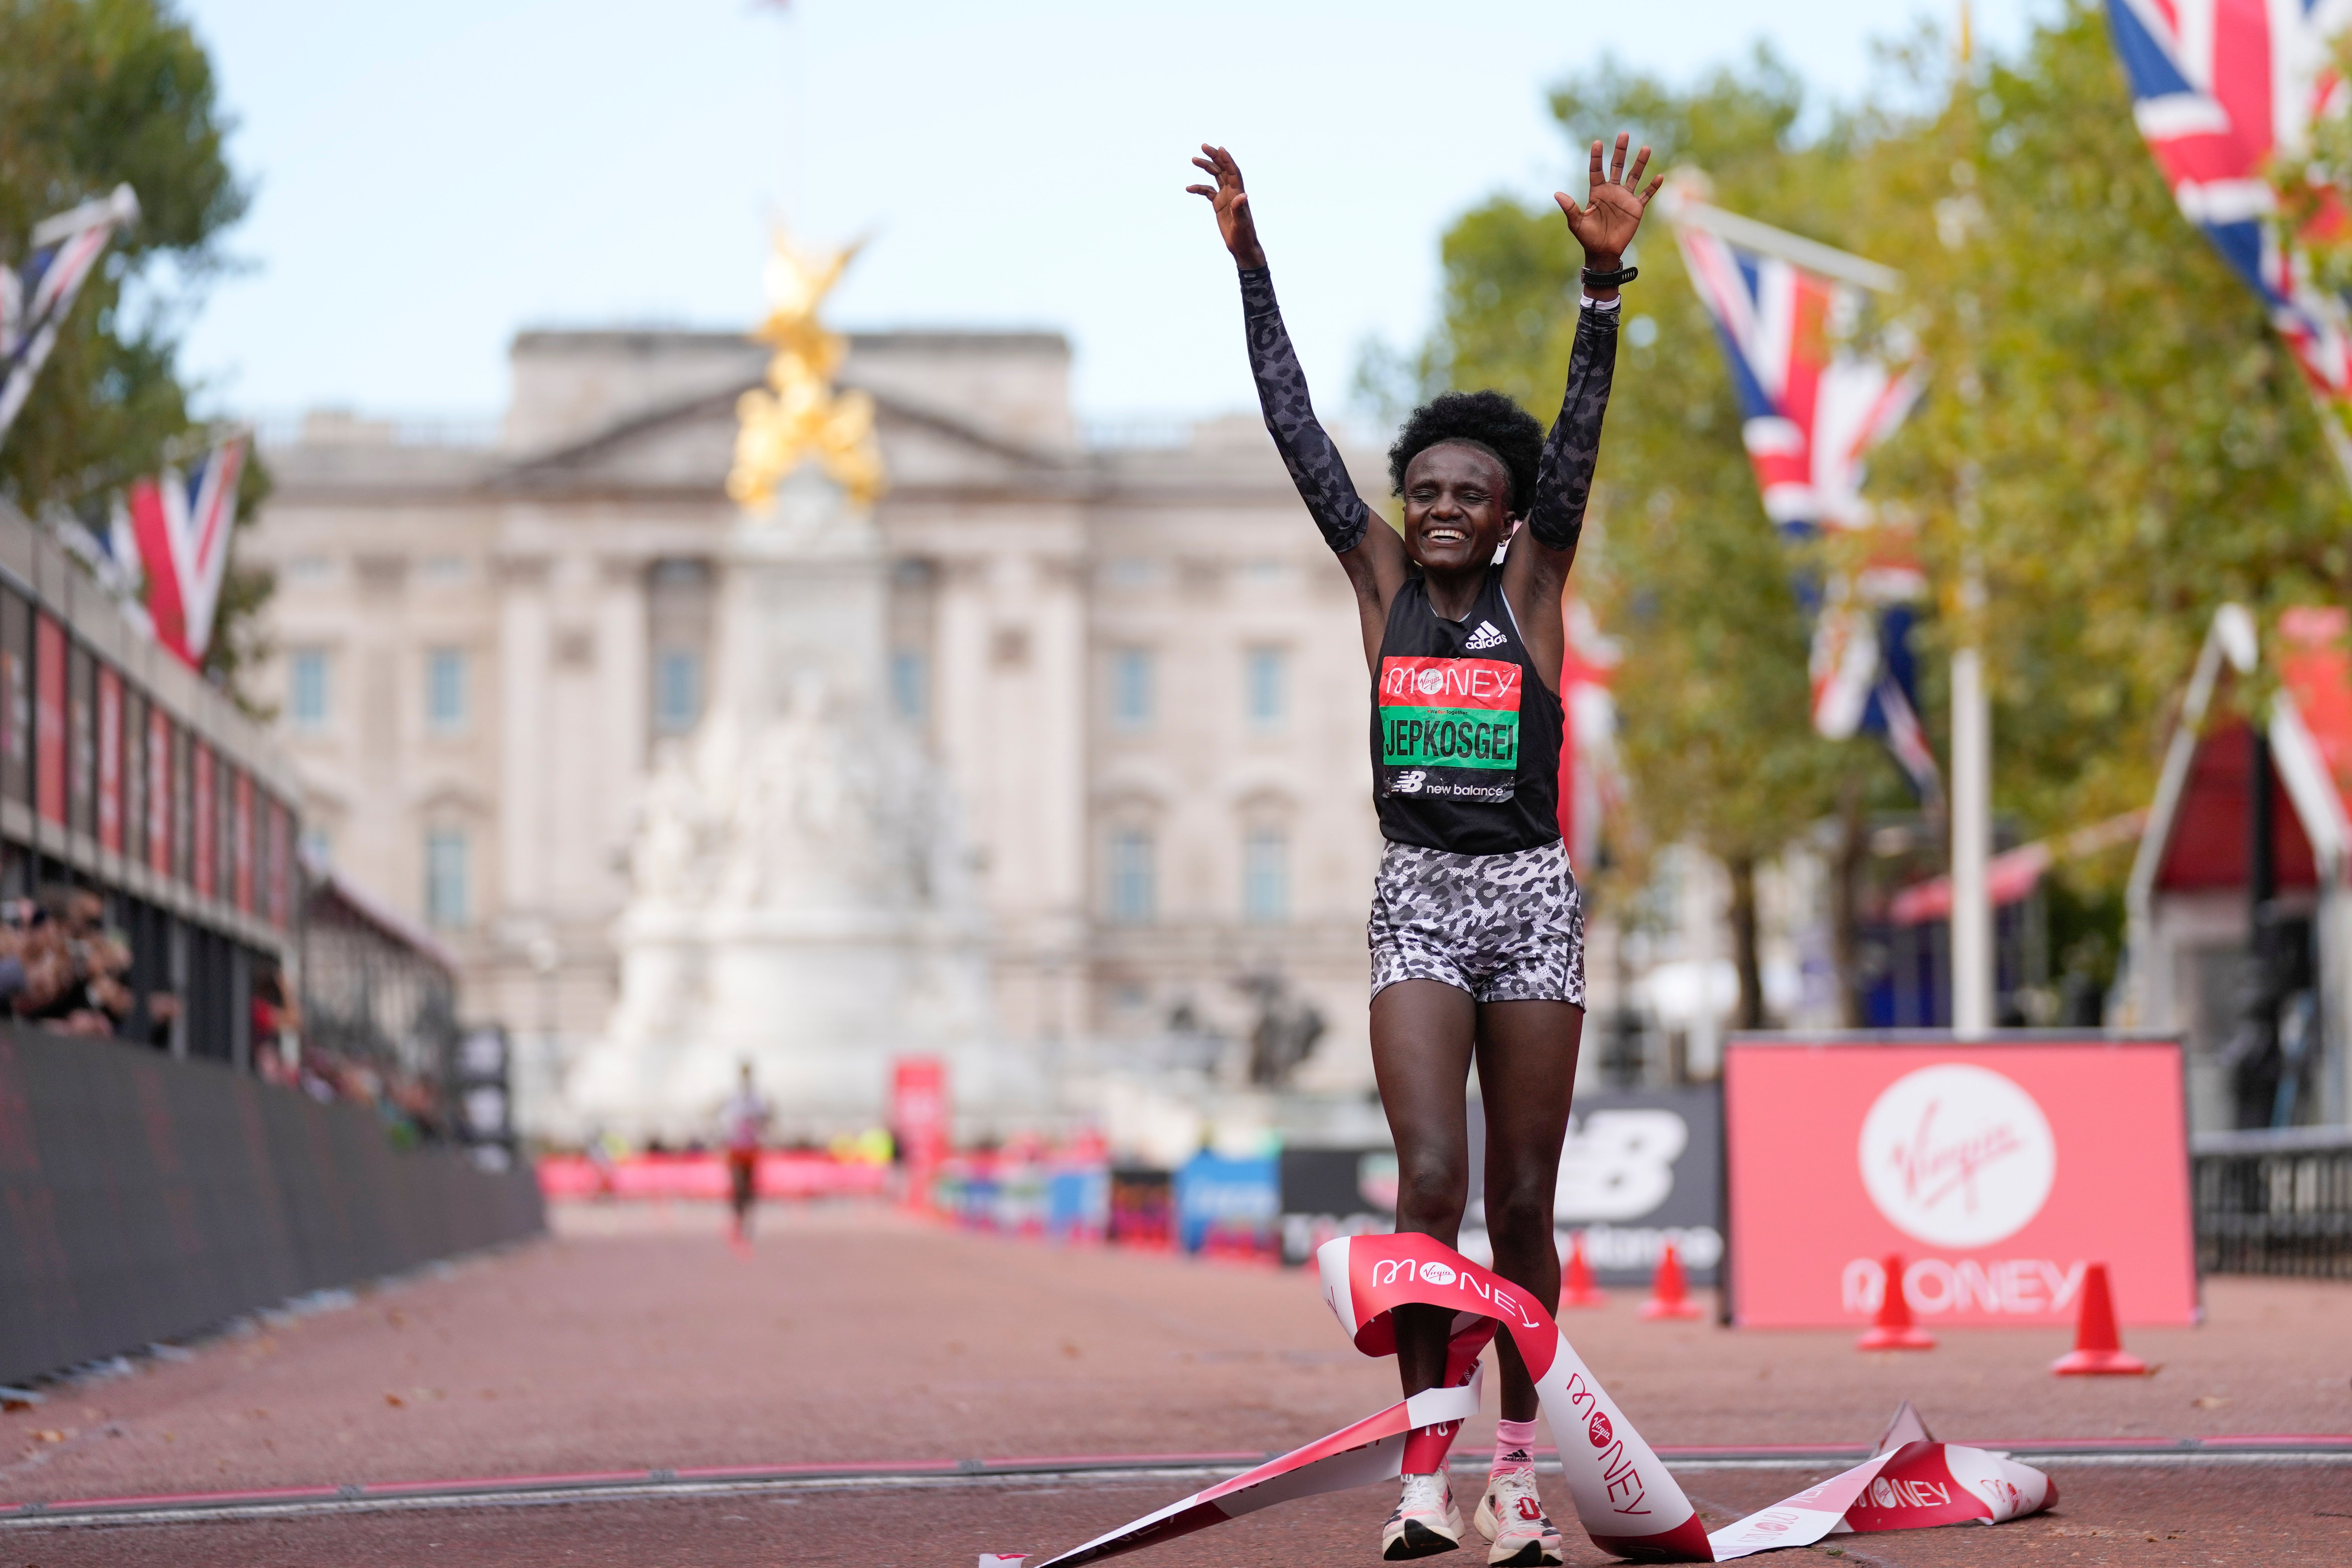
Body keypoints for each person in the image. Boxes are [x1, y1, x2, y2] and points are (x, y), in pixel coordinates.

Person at [1189, 134, 1658, 1566]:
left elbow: (1579, 435)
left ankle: (1520, 1476)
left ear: (1511, 514)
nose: (1445, 505)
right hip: (1417, 901)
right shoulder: (1378, 577)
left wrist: (1599, 285)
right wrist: (1252, 267)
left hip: (1527, 901)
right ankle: (1421, 1479)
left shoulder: (1536, 579)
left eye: (1473, 492)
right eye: (1427, 489)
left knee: (1523, 1199)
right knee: (1430, 1184)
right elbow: (1294, 428)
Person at [717, 1061, 773, 1249]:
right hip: (736, 1147)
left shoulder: (757, 1098)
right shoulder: (734, 1097)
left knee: (749, 1188)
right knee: (738, 1185)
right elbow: (724, 1120)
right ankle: (738, 1218)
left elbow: (766, 1120)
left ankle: (745, 1220)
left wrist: (763, 1126)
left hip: (751, 1147)